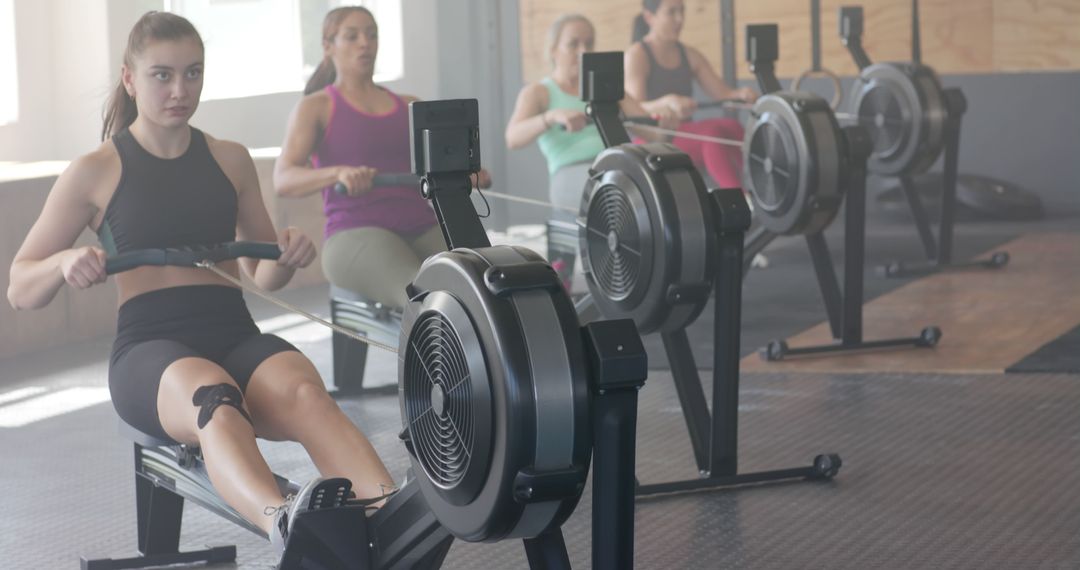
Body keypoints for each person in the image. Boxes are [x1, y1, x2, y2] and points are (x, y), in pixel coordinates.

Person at [5, 11, 393, 556]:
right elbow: (20, 287)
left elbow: (264, 274)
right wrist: (63, 262)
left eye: (193, 73)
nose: (180, 90)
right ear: (130, 79)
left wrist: (289, 254)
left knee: (307, 390)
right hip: (150, 348)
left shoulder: (229, 159)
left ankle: (390, 515)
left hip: (234, 331)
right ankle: (286, 524)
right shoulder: (96, 169)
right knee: (215, 395)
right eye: (162, 75)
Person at [275, 7, 488, 310]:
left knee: (480, 284)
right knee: (429, 300)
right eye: (352, 36)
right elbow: (284, 179)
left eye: (371, 34)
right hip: (354, 232)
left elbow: (440, 167)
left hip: (421, 223)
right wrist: (338, 174)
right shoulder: (316, 107)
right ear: (328, 46)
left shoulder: (410, 105)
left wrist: (468, 174)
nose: (365, 43)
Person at [505, 13, 673, 287]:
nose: (583, 51)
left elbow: (652, 132)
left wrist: (667, 119)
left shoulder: (607, 88)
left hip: (616, 169)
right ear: (553, 50)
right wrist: (551, 117)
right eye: (573, 44)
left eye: (589, 43)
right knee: (620, 194)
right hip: (571, 175)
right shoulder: (539, 93)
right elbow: (513, 138)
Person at [625, 0, 757, 189]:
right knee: (712, 134)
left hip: (688, 132)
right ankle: (739, 197)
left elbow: (724, 94)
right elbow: (633, 109)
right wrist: (667, 102)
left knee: (734, 127)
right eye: (671, 12)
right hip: (654, 137)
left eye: (682, 11)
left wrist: (742, 95)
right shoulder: (637, 55)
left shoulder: (689, 54)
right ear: (649, 17)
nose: (680, 19)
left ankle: (755, 189)